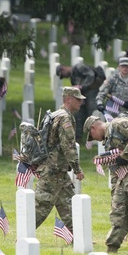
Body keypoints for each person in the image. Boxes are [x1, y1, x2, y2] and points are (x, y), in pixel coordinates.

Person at [83, 113, 128, 254]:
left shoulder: (118, 123)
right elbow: (115, 168)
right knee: (118, 210)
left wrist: (125, 155)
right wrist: (114, 192)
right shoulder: (108, 141)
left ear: (93, 128)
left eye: (92, 137)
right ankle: (112, 248)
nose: (96, 140)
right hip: (126, 176)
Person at [34, 87, 85, 233]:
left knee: (68, 204)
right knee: (41, 206)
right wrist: (77, 169)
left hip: (58, 170)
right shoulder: (65, 118)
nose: (81, 102)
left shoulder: (56, 114)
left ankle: (78, 237)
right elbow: (68, 145)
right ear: (68, 99)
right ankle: (25, 233)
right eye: (78, 99)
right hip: (53, 171)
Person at [55, 61, 106, 137]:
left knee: (93, 111)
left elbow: (90, 75)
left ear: (63, 69)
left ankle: (98, 134)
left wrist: (81, 86)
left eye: (62, 75)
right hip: (85, 93)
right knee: (79, 114)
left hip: (92, 91)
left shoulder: (78, 67)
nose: (64, 77)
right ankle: (79, 136)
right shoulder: (72, 77)